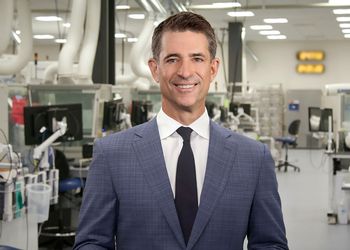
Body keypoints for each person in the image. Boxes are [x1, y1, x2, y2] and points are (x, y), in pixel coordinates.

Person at [74, 12, 288, 250]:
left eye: (197, 58)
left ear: (213, 68)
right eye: (173, 59)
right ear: (155, 69)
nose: (185, 72)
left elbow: (270, 244)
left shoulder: (253, 158)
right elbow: (91, 243)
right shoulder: (112, 155)